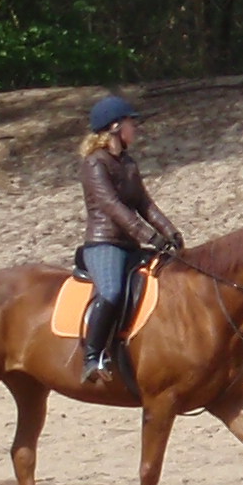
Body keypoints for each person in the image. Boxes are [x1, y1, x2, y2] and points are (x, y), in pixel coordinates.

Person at [76, 94, 185, 380]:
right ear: (114, 127)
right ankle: (92, 355)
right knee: (111, 292)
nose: (134, 129)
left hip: (130, 245)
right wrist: (149, 236)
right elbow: (112, 207)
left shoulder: (127, 163)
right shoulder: (94, 164)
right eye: (130, 123)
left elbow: (144, 204)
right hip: (104, 244)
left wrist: (170, 231)